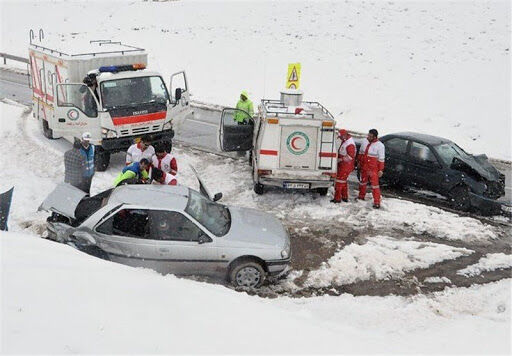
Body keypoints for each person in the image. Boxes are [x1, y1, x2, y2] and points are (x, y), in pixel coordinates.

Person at [357, 129, 385, 208]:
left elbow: (381, 159)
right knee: (362, 182)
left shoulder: (380, 146)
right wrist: (359, 162)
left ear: (374, 137)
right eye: (368, 135)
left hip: (373, 169)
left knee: (375, 186)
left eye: (370, 136)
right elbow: (361, 153)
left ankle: (377, 202)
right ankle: (361, 196)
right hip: (364, 167)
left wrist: (380, 170)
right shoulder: (365, 142)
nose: (368, 137)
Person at [331, 129, 356, 203]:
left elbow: (350, 157)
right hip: (344, 165)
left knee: (339, 182)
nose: (340, 138)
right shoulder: (346, 141)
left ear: (344, 135)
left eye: (341, 137)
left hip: (346, 166)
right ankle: (344, 197)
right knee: (343, 182)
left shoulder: (350, 144)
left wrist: (340, 159)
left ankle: (337, 199)